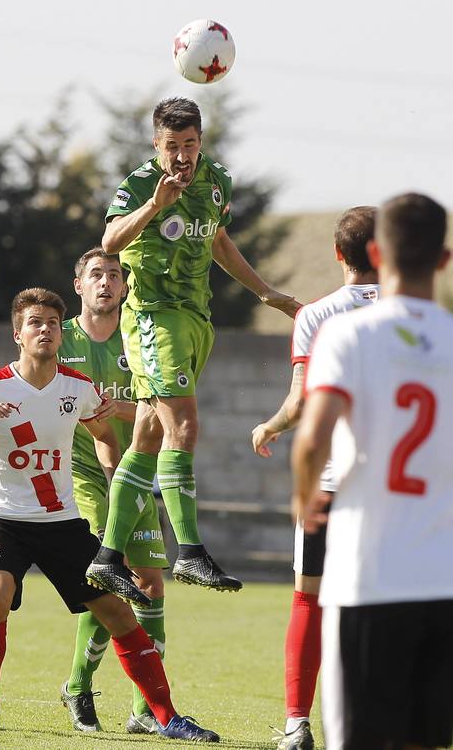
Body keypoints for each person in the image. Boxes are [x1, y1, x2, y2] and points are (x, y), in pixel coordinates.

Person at [0, 287, 219, 742]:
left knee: (120, 615)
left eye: (50, 323)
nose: (44, 330)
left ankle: (167, 718)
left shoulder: (77, 387)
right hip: (4, 520)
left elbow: (104, 432)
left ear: (59, 334)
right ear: (17, 335)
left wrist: (111, 473)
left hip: (62, 522)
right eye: (34, 324)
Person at [293, 193, 453, 750]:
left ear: (378, 253)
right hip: (451, 581)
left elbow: (312, 438)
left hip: (370, 577)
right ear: (446, 259)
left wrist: (305, 498)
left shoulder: (347, 335)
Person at [86, 96, 302, 605]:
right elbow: (110, 241)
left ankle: (106, 558)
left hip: (196, 320)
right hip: (152, 319)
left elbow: (219, 241)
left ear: (201, 141)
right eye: (171, 147)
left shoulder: (217, 180)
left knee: (146, 435)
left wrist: (265, 291)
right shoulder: (141, 184)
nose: (182, 157)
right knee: (183, 424)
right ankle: (190, 550)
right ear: (155, 145)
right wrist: (156, 206)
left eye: (190, 145)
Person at [252, 207, 378, 750]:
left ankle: (297, 724)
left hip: (329, 482)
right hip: (390, 488)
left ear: (337, 254)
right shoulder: (413, 314)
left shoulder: (317, 315)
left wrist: (270, 424)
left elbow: (303, 401)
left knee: (309, 599)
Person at [60, 247, 167, 735]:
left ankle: (145, 712)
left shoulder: (144, 338)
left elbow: (166, 409)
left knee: (150, 586)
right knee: (110, 576)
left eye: (115, 275)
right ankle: (79, 688)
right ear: (78, 285)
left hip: (137, 469)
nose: (106, 282)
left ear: (125, 287)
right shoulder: (57, 339)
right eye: (96, 275)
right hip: (80, 473)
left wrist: (111, 409)